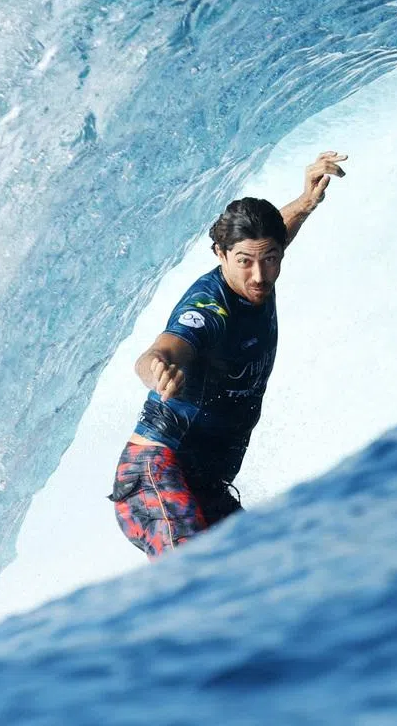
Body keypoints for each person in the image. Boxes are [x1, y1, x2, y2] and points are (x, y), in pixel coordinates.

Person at [108, 151, 348, 558]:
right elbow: (159, 351)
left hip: (205, 485)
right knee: (194, 578)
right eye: (245, 262)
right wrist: (159, 371)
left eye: (270, 260)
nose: (259, 275)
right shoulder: (208, 309)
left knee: (264, 575)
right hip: (155, 472)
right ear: (219, 254)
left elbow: (273, 237)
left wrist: (305, 202)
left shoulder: (258, 267)